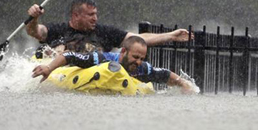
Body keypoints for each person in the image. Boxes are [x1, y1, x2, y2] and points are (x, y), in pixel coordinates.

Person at [26, 0, 191, 54]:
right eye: (91, 15)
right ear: (76, 15)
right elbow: (35, 32)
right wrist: (33, 18)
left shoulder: (104, 32)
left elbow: (137, 39)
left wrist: (170, 36)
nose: (95, 18)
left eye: (96, 14)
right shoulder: (58, 30)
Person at [31, 36, 195, 93]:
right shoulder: (101, 58)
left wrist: (184, 84)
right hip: (76, 74)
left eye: (142, 58)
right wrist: (49, 68)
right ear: (123, 52)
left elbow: (164, 74)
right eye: (135, 57)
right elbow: (70, 56)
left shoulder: (141, 68)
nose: (138, 62)